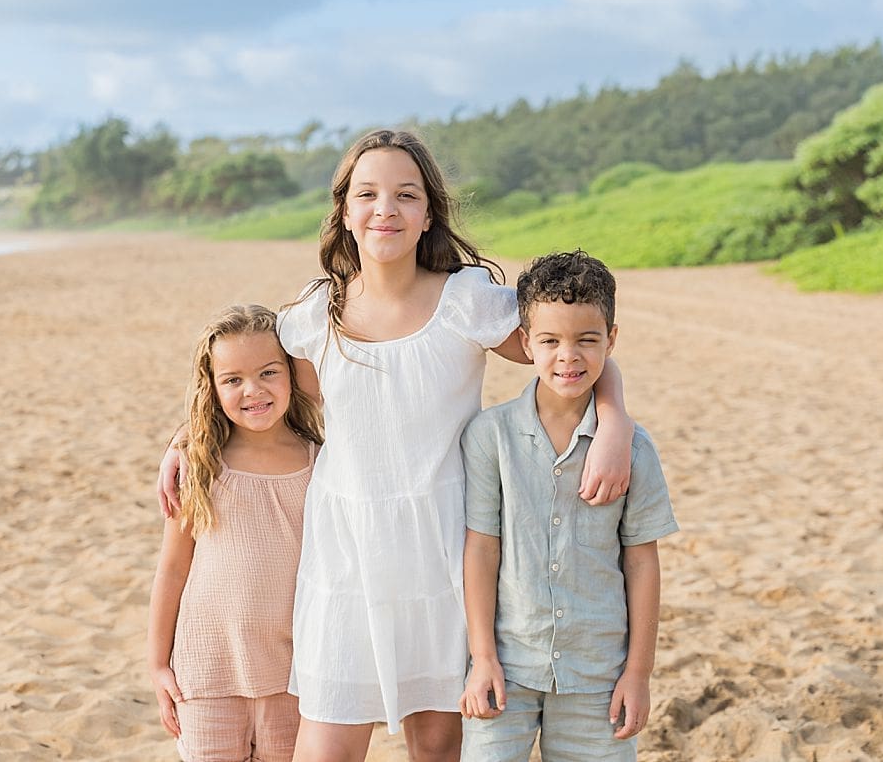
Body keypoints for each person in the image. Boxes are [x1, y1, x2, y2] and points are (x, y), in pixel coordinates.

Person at [158, 130, 635, 762]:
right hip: (344, 553)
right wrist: (186, 436)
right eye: (368, 194)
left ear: (428, 213)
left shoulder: (467, 301)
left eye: (406, 194)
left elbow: (567, 348)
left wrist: (615, 421)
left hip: (443, 549)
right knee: (326, 746)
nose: (386, 208)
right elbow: (248, 385)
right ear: (344, 212)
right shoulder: (316, 314)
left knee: (435, 747)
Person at [458, 250, 679, 761]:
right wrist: (482, 657)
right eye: (550, 341)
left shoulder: (634, 449)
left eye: (587, 340)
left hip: (598, 674)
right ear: (525, 343)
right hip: (508, 667)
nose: (568, 356)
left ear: (611, 340)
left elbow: (642, 561)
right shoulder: (490, 436)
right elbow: (482, 549)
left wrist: (638, 673)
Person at [148, 304, 323, 762]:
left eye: (268, 372)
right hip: (206, 673)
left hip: (294, 675)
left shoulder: (320, 463)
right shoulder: (199, 464)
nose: (253, 390)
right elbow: (172, 569)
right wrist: (158, 664)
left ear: (292, 373)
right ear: (212, 387)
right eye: (233, 379)